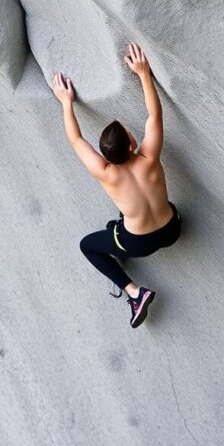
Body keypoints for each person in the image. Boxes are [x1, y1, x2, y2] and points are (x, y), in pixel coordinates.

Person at [51, 43, 182, 329]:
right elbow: (155, 115)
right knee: (123, 221)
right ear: (132, 142)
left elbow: (75, 140)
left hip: (138, 243)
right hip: (173, 228)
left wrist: (66, 102)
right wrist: (143, 73)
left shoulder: (105, 171)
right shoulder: (149, 156)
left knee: (88, 246)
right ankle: (123, 231)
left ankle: (135, 293)